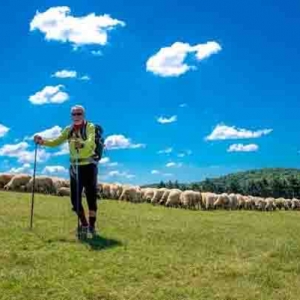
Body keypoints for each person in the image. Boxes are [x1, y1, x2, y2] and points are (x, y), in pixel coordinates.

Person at [34, 105, 99, 237]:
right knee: (74, 199)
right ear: (71, 115)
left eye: (79, 114)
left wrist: (81, 144)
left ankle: (92, 227)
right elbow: (55, 142)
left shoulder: (90, 127)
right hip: (75, 167)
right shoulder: (68, 130)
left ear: (83, 114)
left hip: (89, 166)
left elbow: (91, 142)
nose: (76, 116)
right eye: (74, 114)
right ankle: (84, 225)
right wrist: (42, 142)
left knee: (91, 197)